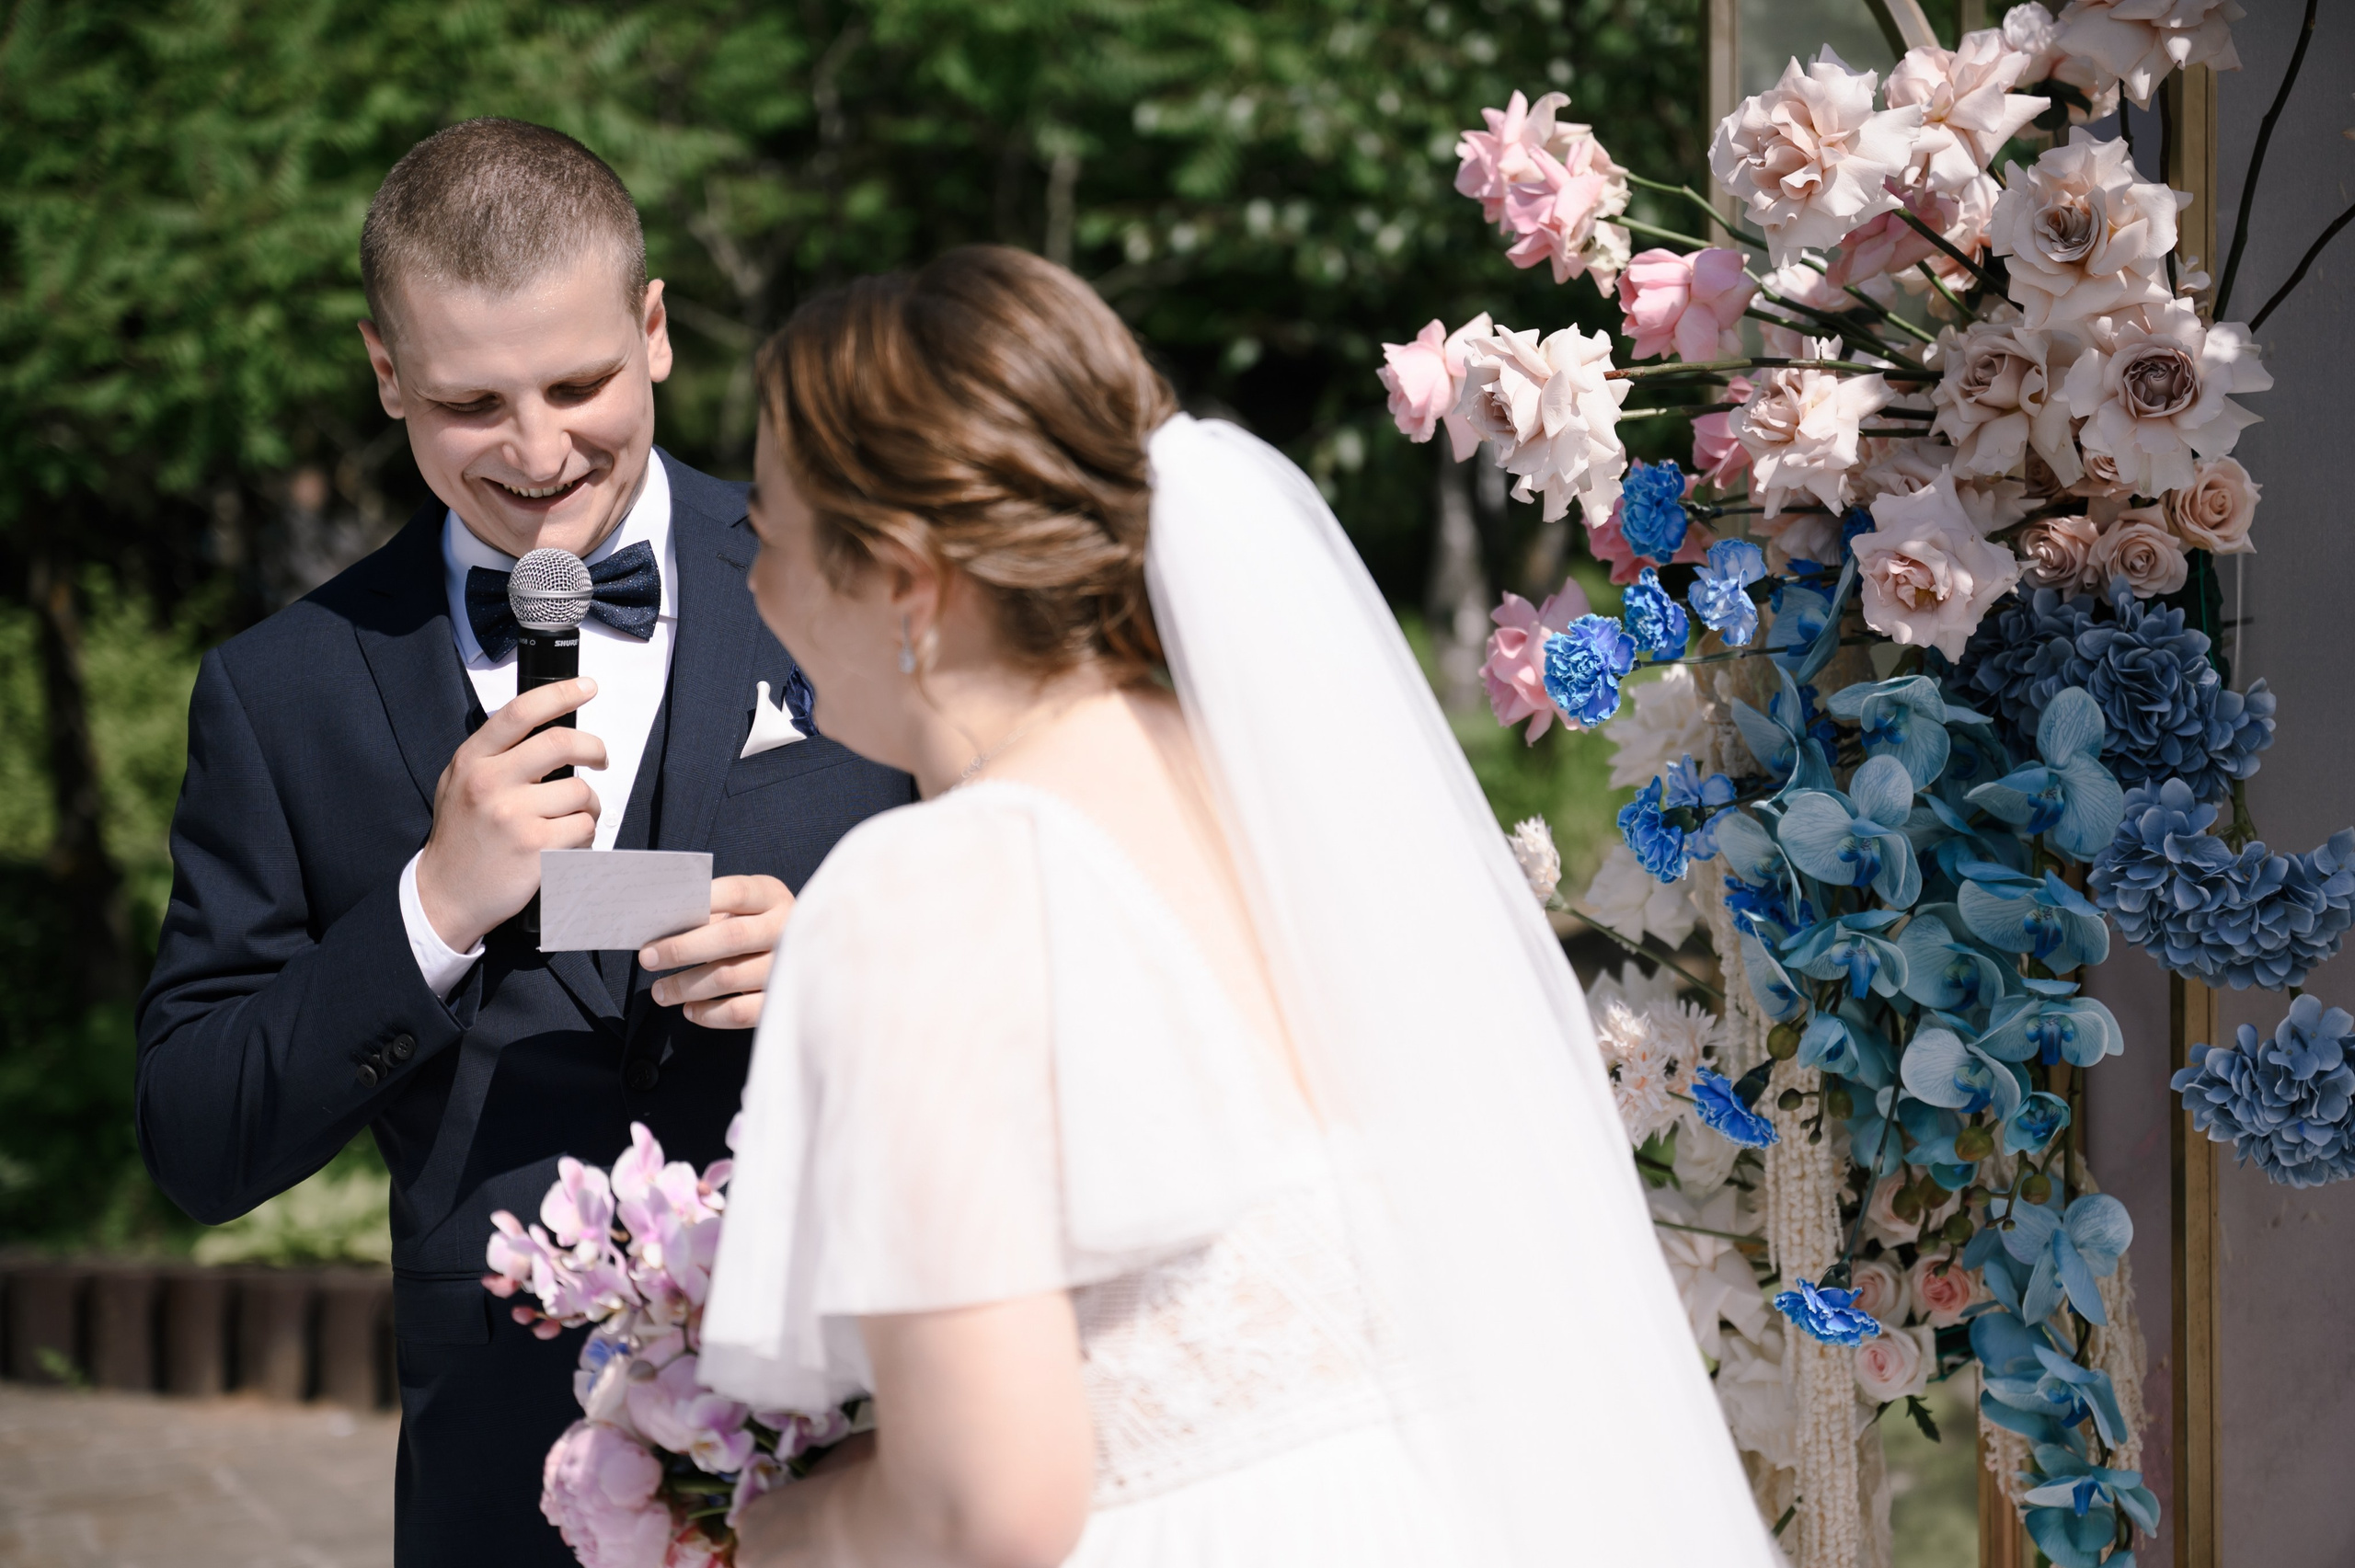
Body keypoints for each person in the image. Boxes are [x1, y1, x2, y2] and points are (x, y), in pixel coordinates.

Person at [698, 246, 1778, 1565]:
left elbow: (987, 1503)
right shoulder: (1310, 805)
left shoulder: (933, 886)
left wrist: (778, 1530)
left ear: (909, 577)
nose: (752, 585)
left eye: (770, 531)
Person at [133, 120, 910, 1565]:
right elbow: (196, 1132)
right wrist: (429, 907)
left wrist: (852, 961)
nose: (542, 451)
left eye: (579, 382)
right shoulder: (280, 690)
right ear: (384, 374)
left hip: (876, 1427)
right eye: (471, 403)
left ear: (658, 327)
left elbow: (1068, 940)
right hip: (506, 1480)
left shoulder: (871, 574)